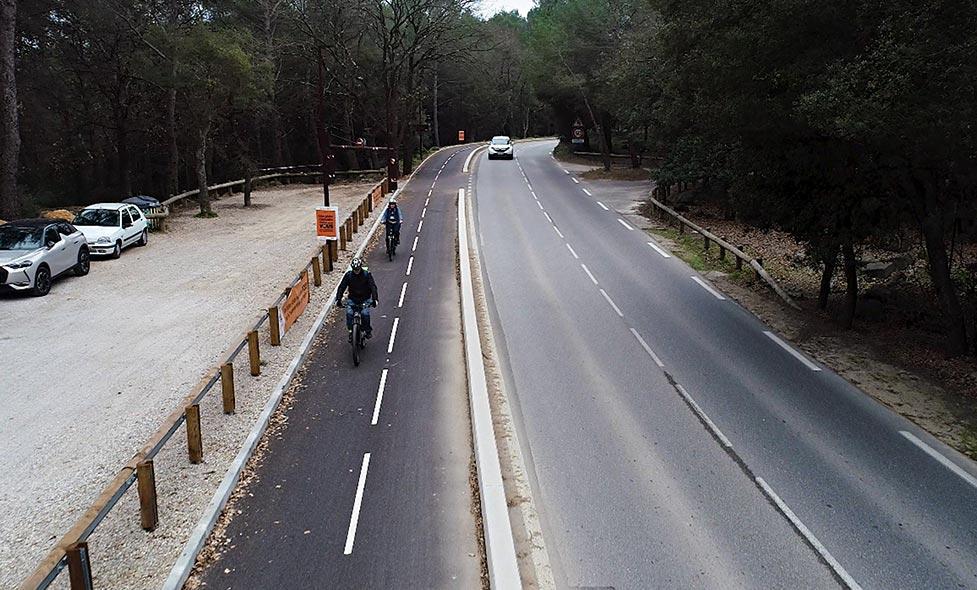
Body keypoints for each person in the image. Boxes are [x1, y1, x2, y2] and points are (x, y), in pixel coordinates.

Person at [335, 257, 378, 340]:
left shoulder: (367, 275)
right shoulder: (348, 275)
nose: (356, 271)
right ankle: (351, 331)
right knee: (349, 314)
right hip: (352, 299)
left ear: (360, 267)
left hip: (365, 299)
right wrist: (338, 299)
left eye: (357, 269)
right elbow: (342, 287)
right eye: (354, 269)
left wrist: (375, 299)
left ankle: (367, 330)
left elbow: (373, 287)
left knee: (365, 314)